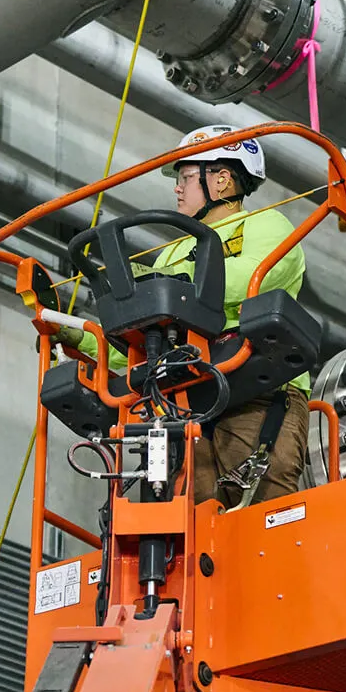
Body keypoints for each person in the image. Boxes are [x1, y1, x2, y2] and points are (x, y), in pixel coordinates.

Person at [55, 125, 310, 509]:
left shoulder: (266, 225)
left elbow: (248, 280)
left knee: (264, 514)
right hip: (186, 401)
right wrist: (80, 337)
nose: (177, 188)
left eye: (186, 177)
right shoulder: (172, 253)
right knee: (190, 524)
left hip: (259, 388)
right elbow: (144, 339)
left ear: (222, 180)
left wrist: (169, 285)